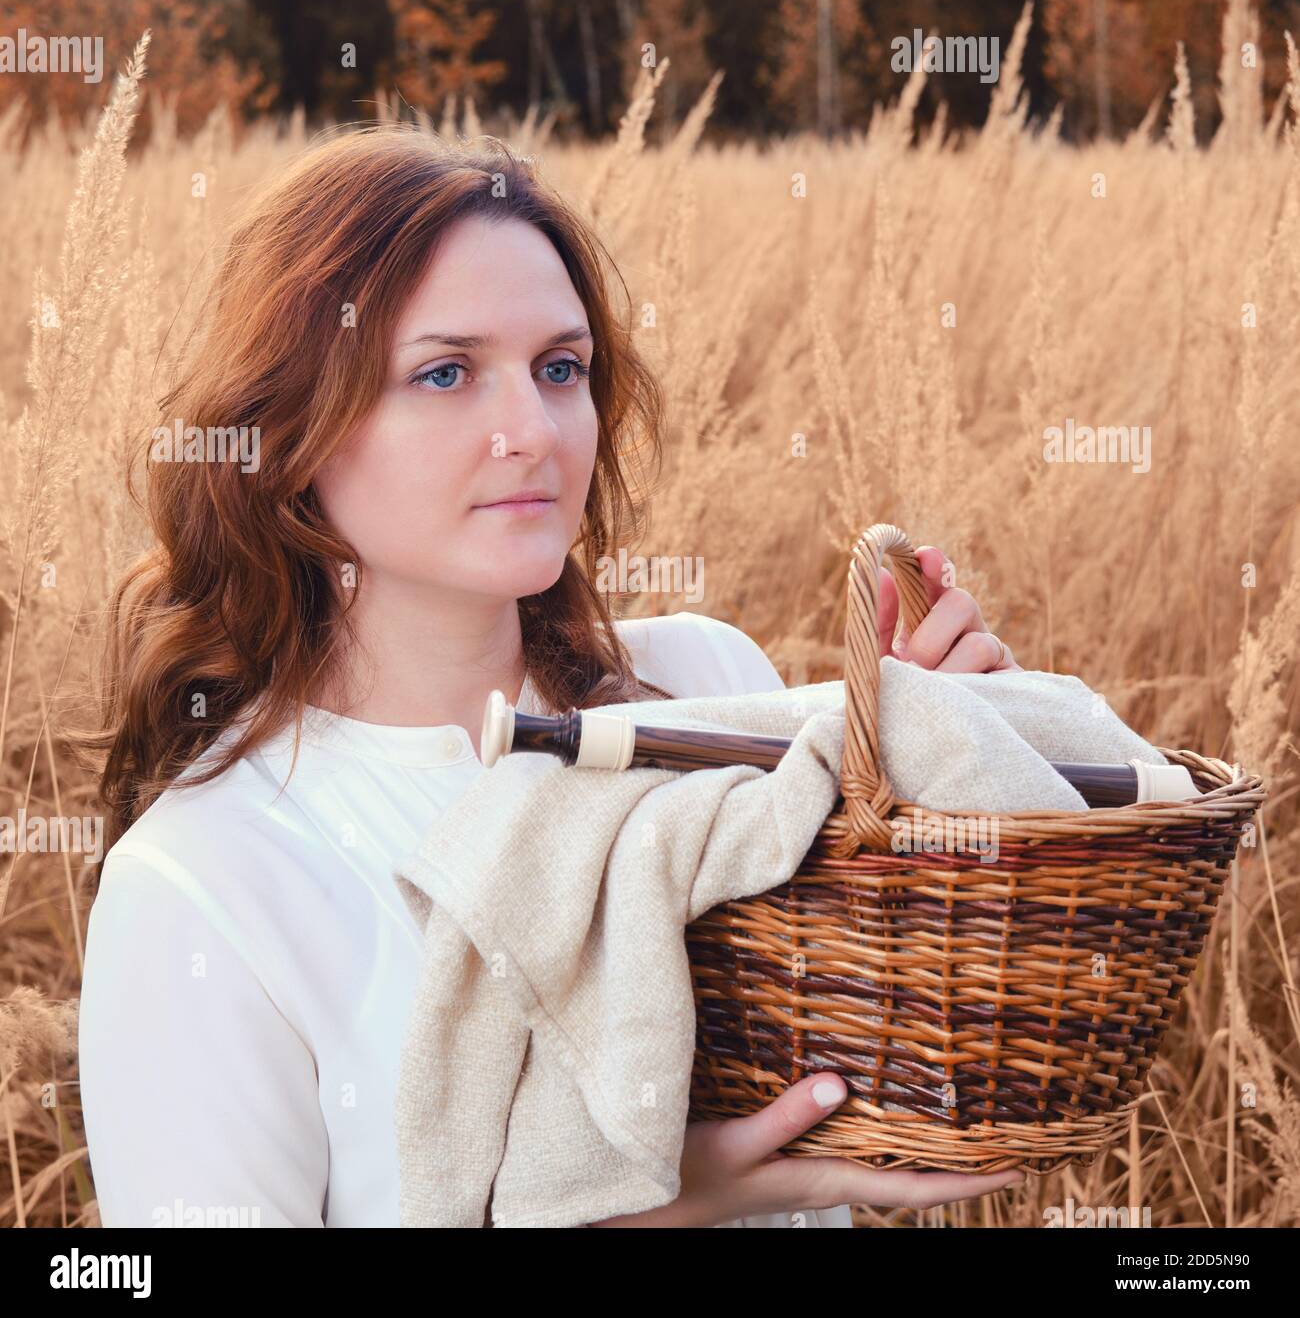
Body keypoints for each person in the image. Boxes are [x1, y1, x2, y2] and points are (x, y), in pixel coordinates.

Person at [78, 126, 1023, 1229]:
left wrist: (931, 756)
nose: (530, 430)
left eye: (559, 368)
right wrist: (639, 1208)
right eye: (444, 373)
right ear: (292, 437)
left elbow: (916, 1029)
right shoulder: (208, 885)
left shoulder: (707, 686)